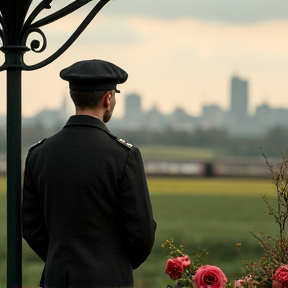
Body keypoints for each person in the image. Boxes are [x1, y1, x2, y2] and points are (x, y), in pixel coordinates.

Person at [22, 59, 157, 288]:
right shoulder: (123, 155)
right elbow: (142, 237)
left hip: (56, 279)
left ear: (73, 96)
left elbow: (31, 228)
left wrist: (63, 261)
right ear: (108, 98)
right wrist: (111, 266)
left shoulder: (39, 154)